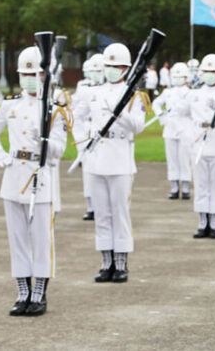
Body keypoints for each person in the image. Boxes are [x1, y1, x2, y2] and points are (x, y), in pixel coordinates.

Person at [0, 46, 68, 316]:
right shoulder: (10, 104)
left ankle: (40, 293)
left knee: (42, 239)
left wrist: (43, 140)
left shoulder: (56, 108)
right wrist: (0, 157)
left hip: (41, 175)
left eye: (34, 73)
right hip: (14, 175)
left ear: (45, 75)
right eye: (24, 73)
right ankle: (23, 291)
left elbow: (60, 149)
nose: (29, 78)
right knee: (17, 238)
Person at [74, 43, 146, 283]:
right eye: (109, 66)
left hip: (120, 159)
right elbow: (78, 118)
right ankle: (106, 262)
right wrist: (83, 141)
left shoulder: (133, 94)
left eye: (117, 66)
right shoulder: (91, 92)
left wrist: (120, 113)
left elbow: (138, 126)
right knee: (102, 213)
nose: (112, 70)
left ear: (125, 68)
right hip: (96, 157)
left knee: (120, 212)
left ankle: (122, 263)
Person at [189, 54, 215, 239]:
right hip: (199, 141)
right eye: (206, 71)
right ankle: (202, 222)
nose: (209, 75)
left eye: (212, 71)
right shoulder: (195, 93)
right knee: (201, 184)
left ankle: (214, 222)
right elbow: (181, 113)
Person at [152, 62, 193, 200]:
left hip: (184, 128)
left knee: (184, 159)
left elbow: (190, 110)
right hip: (170, 129)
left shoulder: (190, 93)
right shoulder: (167, 92)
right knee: (172, 159)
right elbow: (156, 103)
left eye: (180, 76)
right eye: (175, 76)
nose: (177, 78)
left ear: (186, 77)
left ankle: (186, 187)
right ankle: (174, 187)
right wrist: (161, 114)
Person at [72, 55, 104, 220]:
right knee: (88, 173)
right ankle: (90, 206)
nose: (95, 74)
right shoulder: (85, 87)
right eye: (93, 71)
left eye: (99, 71)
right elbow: (76, 111)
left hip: (104, 135)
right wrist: (80, 142)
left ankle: (102, 206)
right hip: (88, 130)